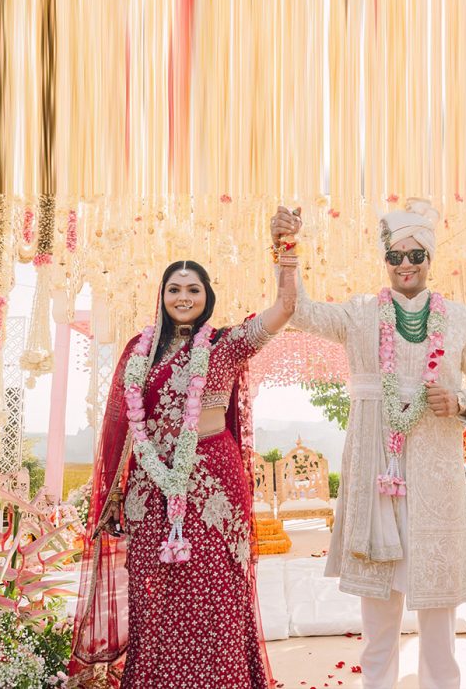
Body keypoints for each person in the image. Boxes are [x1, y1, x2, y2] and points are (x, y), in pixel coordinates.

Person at [270, 199, 466, 689]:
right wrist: (286, 250)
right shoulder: (359, 314)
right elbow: (299, 311)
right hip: (377, 475)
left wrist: (460, 400)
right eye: (395, 256)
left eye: (416, 255)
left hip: (436, 482)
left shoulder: (459, 319)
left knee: (439, 628)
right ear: (385, 260)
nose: (406, 265)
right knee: (378, 623)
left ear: (430, 258)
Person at [68, 256, 298, 688]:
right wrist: (115, 491)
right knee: (153, 594)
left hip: (212, 485)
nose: (184, 297)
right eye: (174, 289)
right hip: (149, 486)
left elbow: (286, 307)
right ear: (162, 296)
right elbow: (122, 424)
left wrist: (286, 253)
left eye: (193, 289)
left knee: (213, 591)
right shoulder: (139, 350)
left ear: (208, 296)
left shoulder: (226, 344)